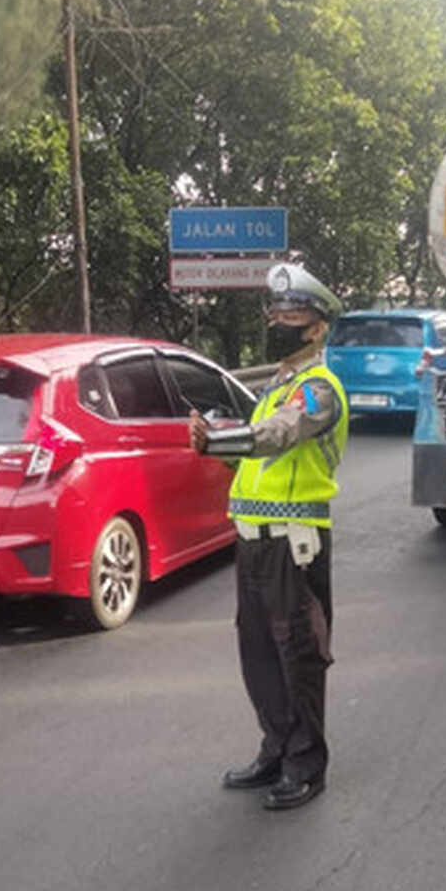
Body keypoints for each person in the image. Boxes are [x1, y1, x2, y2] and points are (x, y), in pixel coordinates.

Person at [188, 262, 348, 811]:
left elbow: (277, 437)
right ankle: (276, 747)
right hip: (254, 537)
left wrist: (218, 443)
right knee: (258, 652)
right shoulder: (278, 386)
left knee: (298, 652)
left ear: (318, 327)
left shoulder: (318, 390)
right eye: (275, 312)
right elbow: (259, 445)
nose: (279, 320)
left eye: (292, 313)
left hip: (293, 540)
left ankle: (306, 764)